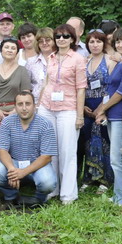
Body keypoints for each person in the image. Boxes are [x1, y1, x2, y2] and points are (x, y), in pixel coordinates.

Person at [37, 23, 87, 204]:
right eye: (58, 36)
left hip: (68, 108)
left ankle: (68, 194)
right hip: (47, 107)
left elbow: (81, 88)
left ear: (72, 39)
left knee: (67, 151)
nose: (61, 39)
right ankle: (53, 188)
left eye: (66, 36)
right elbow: (46, 83)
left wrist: (80, 115)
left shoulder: (78, 59)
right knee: (50, 151)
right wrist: (38, 106)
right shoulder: (50, 57)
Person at [0, 91, 58, 205]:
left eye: (28, 104)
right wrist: (11, 169)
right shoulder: (7, 122)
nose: (24, 108)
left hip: (37, 164)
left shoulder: (45, 124)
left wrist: (23, 173)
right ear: (15, 106)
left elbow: (46, 157)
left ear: (34, 106)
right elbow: (2, 150)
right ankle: (12, 195)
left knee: (48, 183)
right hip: (14, 162)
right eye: (20, 104)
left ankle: (38, 199)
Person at [94, 28, 122, 205]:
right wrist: (104, 110)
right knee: (118, 157)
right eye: (118, 41)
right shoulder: (121, 62)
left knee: (118, 158)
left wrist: (102, 108)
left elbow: (121, 92)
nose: (121, 44)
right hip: (112, 115)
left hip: (120, 115)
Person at [80, 30, 116, 190]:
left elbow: (112, 88)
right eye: (92, 42)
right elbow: (79, 86)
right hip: (87, 107)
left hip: (105, 106)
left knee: (104, 142)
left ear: (104, 43)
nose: (95, 45)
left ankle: (105, 179)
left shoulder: (110, 61)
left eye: (98, 41)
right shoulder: (83, 61)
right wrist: (82, 107)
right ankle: (89, 177)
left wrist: (102, 109)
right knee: (88, 142)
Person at [0, 38, 31, 123]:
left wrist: (15, 110)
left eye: (13, 48)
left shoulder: (22, 70)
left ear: (17, 52)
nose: (9, 50)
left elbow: (26, 93)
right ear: (1, 51)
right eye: (7, 47)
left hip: (15, 113)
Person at [27, 27, 54, 104]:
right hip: (36, 102)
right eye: (41, 41)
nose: (44, 43)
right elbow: (27, 86)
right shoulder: (31, 62)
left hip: (56, 102)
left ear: (54, 41)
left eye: (48, 40)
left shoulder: (60, 60)